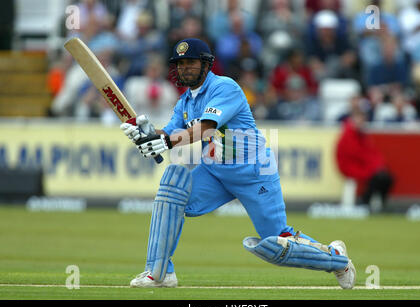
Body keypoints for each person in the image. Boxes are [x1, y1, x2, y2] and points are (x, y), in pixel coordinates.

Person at [119, 38, 356, 289]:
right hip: (215, 172)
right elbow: (168, 135)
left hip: (253, 172)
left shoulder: (225, 88)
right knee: (171, 188)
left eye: (191, 62)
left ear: (206, 65)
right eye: (180, 64)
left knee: (276, 243)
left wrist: (165, 143)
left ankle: (336, 259)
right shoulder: (185, 102)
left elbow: (206, 128)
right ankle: (160, 272)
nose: (185, 68)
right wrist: (146, 134)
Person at [335, 105, 394, 212]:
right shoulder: (348, 136)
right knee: (379, 177)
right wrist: (375, 167)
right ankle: (366, 202)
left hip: (363, 166)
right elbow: (354, 155)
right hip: (352, 167)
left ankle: (375, 203)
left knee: (386, 177)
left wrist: (379, 165)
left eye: (362, 119)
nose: (361, 122)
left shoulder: (361, 135)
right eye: (359, 119)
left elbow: (372, 153)